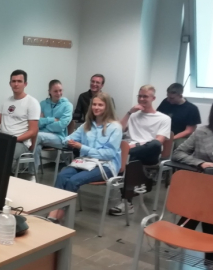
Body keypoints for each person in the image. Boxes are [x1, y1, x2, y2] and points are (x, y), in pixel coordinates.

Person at [48, 92, 122, 223]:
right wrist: (67, 141)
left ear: (107, 107)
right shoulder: (86, 125)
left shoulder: (115, 127)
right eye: (94, 104)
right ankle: (55, 210)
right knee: (62, 176)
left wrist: (82, 147)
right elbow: (69, 138)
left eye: (100, 105)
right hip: (86, 162)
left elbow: (109, 154)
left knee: (73, 181)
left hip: (106, 165)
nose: (96, 107)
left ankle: (59, 214)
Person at [172, 99, 213, 270]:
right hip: (203, 188)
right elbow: (178, 153)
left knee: (210, 209)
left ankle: (186, 224)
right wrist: (200, 162)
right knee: (211, 209)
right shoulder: (202, 133)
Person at [110, 85, 171, 216]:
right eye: (140, 96)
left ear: (153, 98)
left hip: (149, 153)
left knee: (153, 144)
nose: (142, 99)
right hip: (131, 153)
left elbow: (159, 141)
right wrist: (129, 112)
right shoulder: (133, 115)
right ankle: (127, 203)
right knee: (129, 160)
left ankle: (121, 156)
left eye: (145, 96)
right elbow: (118, 130)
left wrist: (135, 146)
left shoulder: (164, 118)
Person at [0, 70, 40, 174]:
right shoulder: (6, 101)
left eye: (19, 81)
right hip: (4, 140)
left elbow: (33, 131)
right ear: (10, 84)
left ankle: (6, 180)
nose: (16, 84)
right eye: (13, 81)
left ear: (25, 84)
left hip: (20, 143)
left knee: (6, 155)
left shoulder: (32, 103)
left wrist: (14, 140)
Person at [33, 80, 73, 172]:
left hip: (60, 138)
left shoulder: (67, 105)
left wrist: (44, 123)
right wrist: (51, 120)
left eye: (60, 90)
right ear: (49, 92)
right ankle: (33, 174)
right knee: (37, 145)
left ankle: (31, 173)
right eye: (55, 91)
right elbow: (36, 123)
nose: (58, 93)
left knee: (36, 136)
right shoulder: (42, 104)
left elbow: (61, 125)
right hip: (43, 136)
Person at [157, 83, 201, 147]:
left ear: (180, 96)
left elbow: (189, 131)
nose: (168, 100)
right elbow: (157, 116)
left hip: (179, 137)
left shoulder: (192, 109)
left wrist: (171, 138)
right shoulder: (165, 102)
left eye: (171, 98)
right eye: (167, 97)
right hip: (163, 133)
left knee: (178, 145)